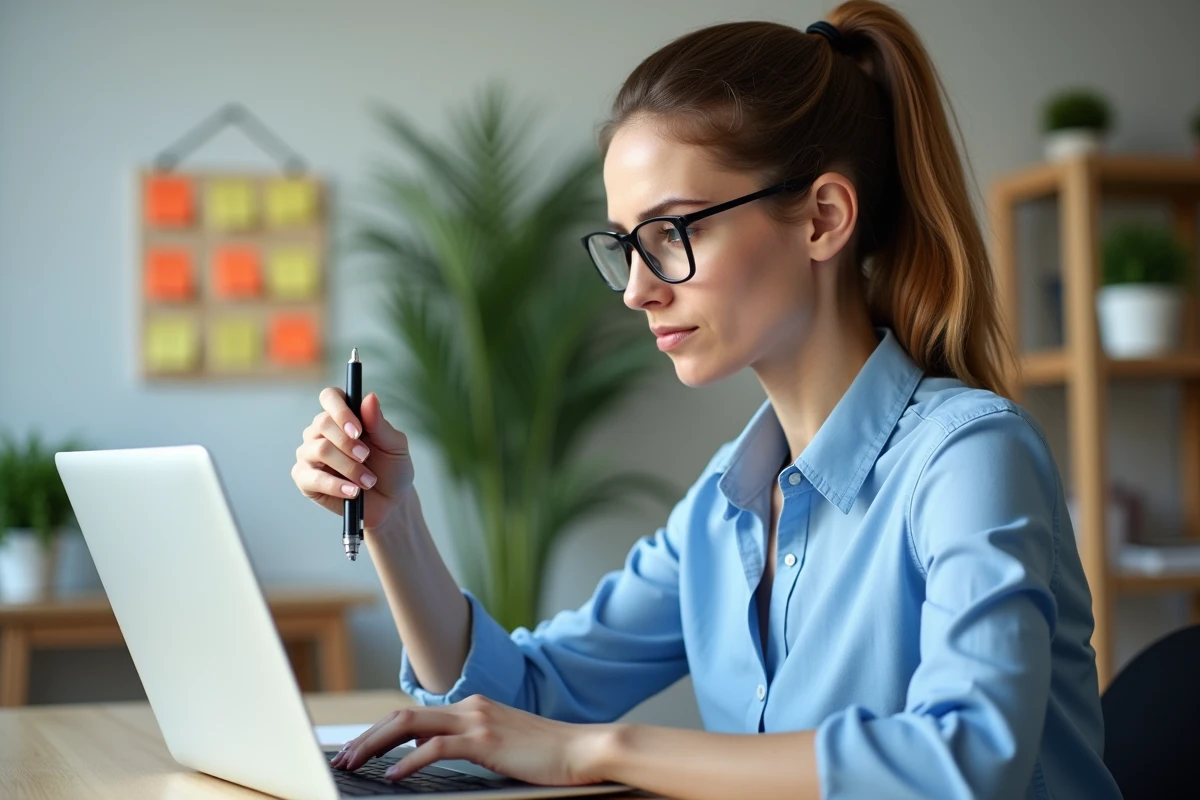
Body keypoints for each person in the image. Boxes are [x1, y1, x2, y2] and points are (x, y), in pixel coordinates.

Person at [290, 2, 1121, 797]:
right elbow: (530, 700)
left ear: (823, 218)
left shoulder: (971, 456)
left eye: (673, 232)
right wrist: (394, 523)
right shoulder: (725, 505)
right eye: (625, 246)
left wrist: (603, 750)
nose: (638, 290)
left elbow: (965, 762)